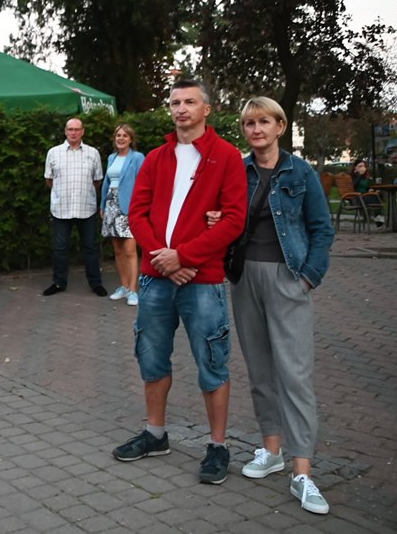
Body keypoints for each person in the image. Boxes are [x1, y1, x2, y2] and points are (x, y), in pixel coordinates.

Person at [112, 79, 247, 486]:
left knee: (212, 362)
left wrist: (184, 257)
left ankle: (218, 445)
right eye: (175, 102)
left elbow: (234, 220)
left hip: (202, 280)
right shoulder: (156, 157)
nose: (181, 108)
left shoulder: (226, 157)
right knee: (151, 359)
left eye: (190, 101)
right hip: (157, 278)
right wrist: (163, 259)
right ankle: (155, 434)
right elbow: (137, 214)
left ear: (207, 108)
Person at [209, 98, 335, 514]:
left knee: (294, 373)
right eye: (249, 123)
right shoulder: (237, 170)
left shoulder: (300, 172)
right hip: (245, 279)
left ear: (280, 126)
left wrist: (308, 277)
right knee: (261, 370)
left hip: (287, 277)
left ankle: (303, 471)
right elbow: (226, 218)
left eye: (264, 121)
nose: (256, 129)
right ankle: (272, 450)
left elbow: (321, 228)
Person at [42, 118, 108, 297]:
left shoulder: (92, 153)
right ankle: (58, 283)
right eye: (70, 129)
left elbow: (97, 181)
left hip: (85, 208)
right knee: (60, 248)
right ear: (65, 131)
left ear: (82, 132)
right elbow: (49, 180)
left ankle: (96, 283)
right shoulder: (53, 153)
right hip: (61, 209)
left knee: (90, 247)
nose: (73, 133)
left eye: (77, 130)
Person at [100, 124, 146, 306]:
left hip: (129, 207)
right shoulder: (111, 157)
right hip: (111, 205)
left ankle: (134, 291)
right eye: (118, 135)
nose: (120, 138)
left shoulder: (137, 157)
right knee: (118, 250)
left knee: (130, 250)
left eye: (124, 136)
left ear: (130, 139)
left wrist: (142, 207)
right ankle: (124, 286)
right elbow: (106, 182)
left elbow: (144, 183)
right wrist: (103, 205)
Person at [350, 159, 384, 226]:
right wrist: (360, 175)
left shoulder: (366, 178)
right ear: (355, 167)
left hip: (366, 197)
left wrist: (371, 190)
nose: (362, 168)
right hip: (357, 198)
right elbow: (354, 186)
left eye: (364, 166)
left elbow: (368, 187)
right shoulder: (352, 176)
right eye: (360, 166)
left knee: (377, 194)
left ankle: (378, 216)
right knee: (374, 197)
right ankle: (378, 217)